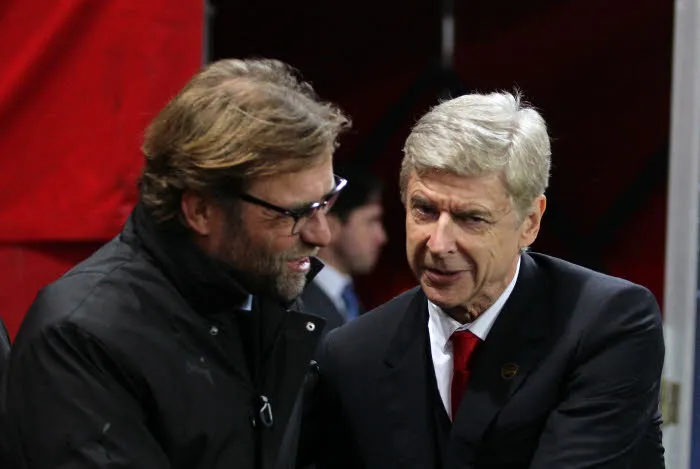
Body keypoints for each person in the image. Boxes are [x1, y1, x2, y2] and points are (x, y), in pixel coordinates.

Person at [0, 58, 349, 469]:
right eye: (294, 213)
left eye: (326, 201)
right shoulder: (81, 340)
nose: (321, 235)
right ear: (200, 210)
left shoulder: (265, 291)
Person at [308, 92, 665, 468]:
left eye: (471, 218)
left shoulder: (606, 325)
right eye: (424, 210)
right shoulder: (352, 354)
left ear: (530, 222)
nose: (438, 244)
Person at [300, 164, 387, 336]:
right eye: (371, 221)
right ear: (331, 227)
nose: (382, 237)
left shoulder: (356, 306)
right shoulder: (295, 303)